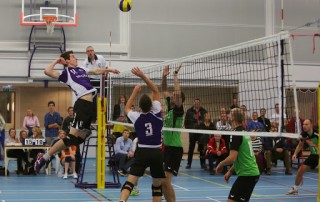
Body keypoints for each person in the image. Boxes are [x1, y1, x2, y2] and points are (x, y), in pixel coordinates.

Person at [34, 50, 120, 173]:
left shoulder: (81, 68)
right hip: (82, 104)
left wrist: (109, 70)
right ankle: (45, 157)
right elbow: (47, 71)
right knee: (71, 138)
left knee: (80, 138)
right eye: (73, 57)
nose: (76, 58)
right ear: (67, 60)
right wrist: (58, 60)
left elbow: (96, 71)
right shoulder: (66, 73)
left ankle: (48, 155)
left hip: (91, 105)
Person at [119, 67, 165, 202]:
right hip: (156, 153)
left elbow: (127, 108)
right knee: (157, 186)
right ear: (151, 105)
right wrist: (142, 76)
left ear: (139, 106)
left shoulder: (136, 117)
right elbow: (156, 90)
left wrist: (134, 91)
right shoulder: (157, 112)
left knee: (130, 182)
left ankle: (122, 201)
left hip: (142, 152)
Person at [216, 108, 260, 202]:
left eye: (230, 114)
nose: (228, 115)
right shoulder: (244, 133)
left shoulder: (236, 134)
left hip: (247, 175)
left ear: (232, 118)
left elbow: (232, 158)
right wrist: (230, 171)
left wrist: (220, 164)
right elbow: (241, 156)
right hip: (251, 174)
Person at [161, 65, 185, 202]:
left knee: (165, 180)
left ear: (180, 100)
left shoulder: (178, 111)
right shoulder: (170, 107)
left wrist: (175, 75)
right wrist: (164, 76)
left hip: (175, 149)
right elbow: (164, 89)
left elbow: (177, 91)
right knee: (162, 181)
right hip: (167, 148)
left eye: (176, 96)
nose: (173, 95)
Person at [287, 119, 318, 195]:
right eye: (303, 124)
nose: (304, 126)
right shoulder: (304, 134)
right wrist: (295, 154)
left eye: (306, 124)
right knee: (300, 170)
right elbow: (300, 145)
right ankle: (295, 189)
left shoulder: (317, 133)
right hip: (314, 155)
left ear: (311, 125)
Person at [83, 46, 107, 122]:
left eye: (91, 50)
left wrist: (105, 75)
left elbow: (105, 68)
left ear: (94, 51)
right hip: (92, 80)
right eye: (88, 51)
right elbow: (85, 73)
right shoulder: (85, 62)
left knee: (103, 98)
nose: (90, 52)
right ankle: (93, 118)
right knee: (92, 99)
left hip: (101, 79)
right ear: (86, 53)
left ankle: (104, 117)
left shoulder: (101, 58)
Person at [184, 98, 207, 169]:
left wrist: (203, 126)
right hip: (193, 132)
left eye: (198, 102)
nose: (196, 104)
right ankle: (189, 163)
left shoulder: (204, 111)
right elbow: (186, 123)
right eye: (195, 102)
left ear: (199, 103)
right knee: (191, 148)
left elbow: (207, 121)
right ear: (194, 103)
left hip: (201, 132)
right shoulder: (189, 111)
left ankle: (203, 164)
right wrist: (190, 129)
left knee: (201, 148)